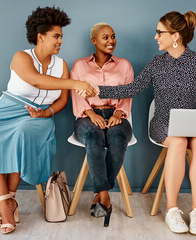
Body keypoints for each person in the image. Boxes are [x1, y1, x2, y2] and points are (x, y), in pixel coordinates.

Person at [0, 7, 97, 234]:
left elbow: (62, 101)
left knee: (23, 132)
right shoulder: (21, 57)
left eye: (61, 37)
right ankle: (6, 202)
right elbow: (36, 81)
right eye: (56, 36)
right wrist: (77, 83)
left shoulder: (62, 65)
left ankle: (8, 203)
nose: (60, 41)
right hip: (8, 108)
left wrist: (46, 113)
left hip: (38, 116)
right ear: (41, 37)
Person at [96, 11, 196, 235]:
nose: (156, 37)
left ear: (176, 36)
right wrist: (98, 90)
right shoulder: (157, 63)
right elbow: (131, 88)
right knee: (179, 142)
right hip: (164, 124)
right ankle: (172, 210)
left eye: (160, 32)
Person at [70, 22, 133, 227]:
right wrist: (89, 113)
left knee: (117, 138)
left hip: (116, 115)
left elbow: (127, 94)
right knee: (94, 137)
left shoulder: (124, 65)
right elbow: (75, 94)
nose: (111, 41)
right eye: (105, 37)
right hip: (86, 116)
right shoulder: (80, 65)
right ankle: (105, 194)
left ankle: (101, 193)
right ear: (94, 41)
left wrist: (118, 113)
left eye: (113, 36)